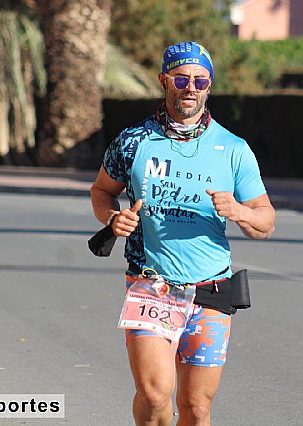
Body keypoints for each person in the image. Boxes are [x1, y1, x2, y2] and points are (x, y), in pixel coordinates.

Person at [90, 41, 275, 425]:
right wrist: (112, 218)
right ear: (164, 81)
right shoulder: (133, 141)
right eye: (181, 77)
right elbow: (101, 191)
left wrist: (239, 211)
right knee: (156, 395)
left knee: (196, 408)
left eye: (200, 79)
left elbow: (265, 222)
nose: (190, 87)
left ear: (209, 86)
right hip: (151, 285)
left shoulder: (233, 149)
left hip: (212, 292)